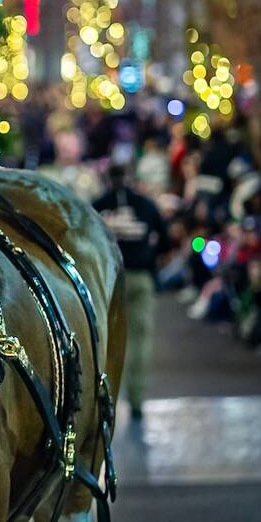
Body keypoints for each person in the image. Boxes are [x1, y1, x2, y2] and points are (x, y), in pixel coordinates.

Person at [93, 163, 170, 421]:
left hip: (108, 278)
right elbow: (166, 239)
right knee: (140, 339)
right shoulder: (146, 205)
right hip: (140, 275)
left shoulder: (97, 205)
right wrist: (150, 258)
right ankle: (136, 399)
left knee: (105, 338)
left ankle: (105, 400)